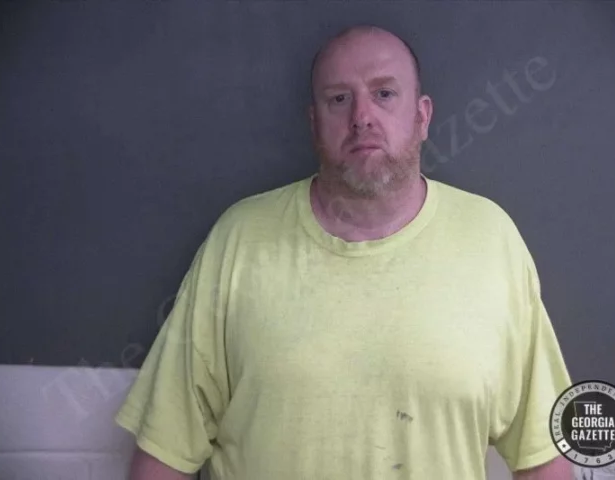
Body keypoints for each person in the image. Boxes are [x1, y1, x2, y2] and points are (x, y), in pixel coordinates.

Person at [115, 25, 574, 480]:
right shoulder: (239, 240)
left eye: (384, 94)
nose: (361, 116)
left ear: (422, 116)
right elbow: (164, 453)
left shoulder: (490, 240)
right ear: (314, 122)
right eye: (338, 99)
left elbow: (543, 458)